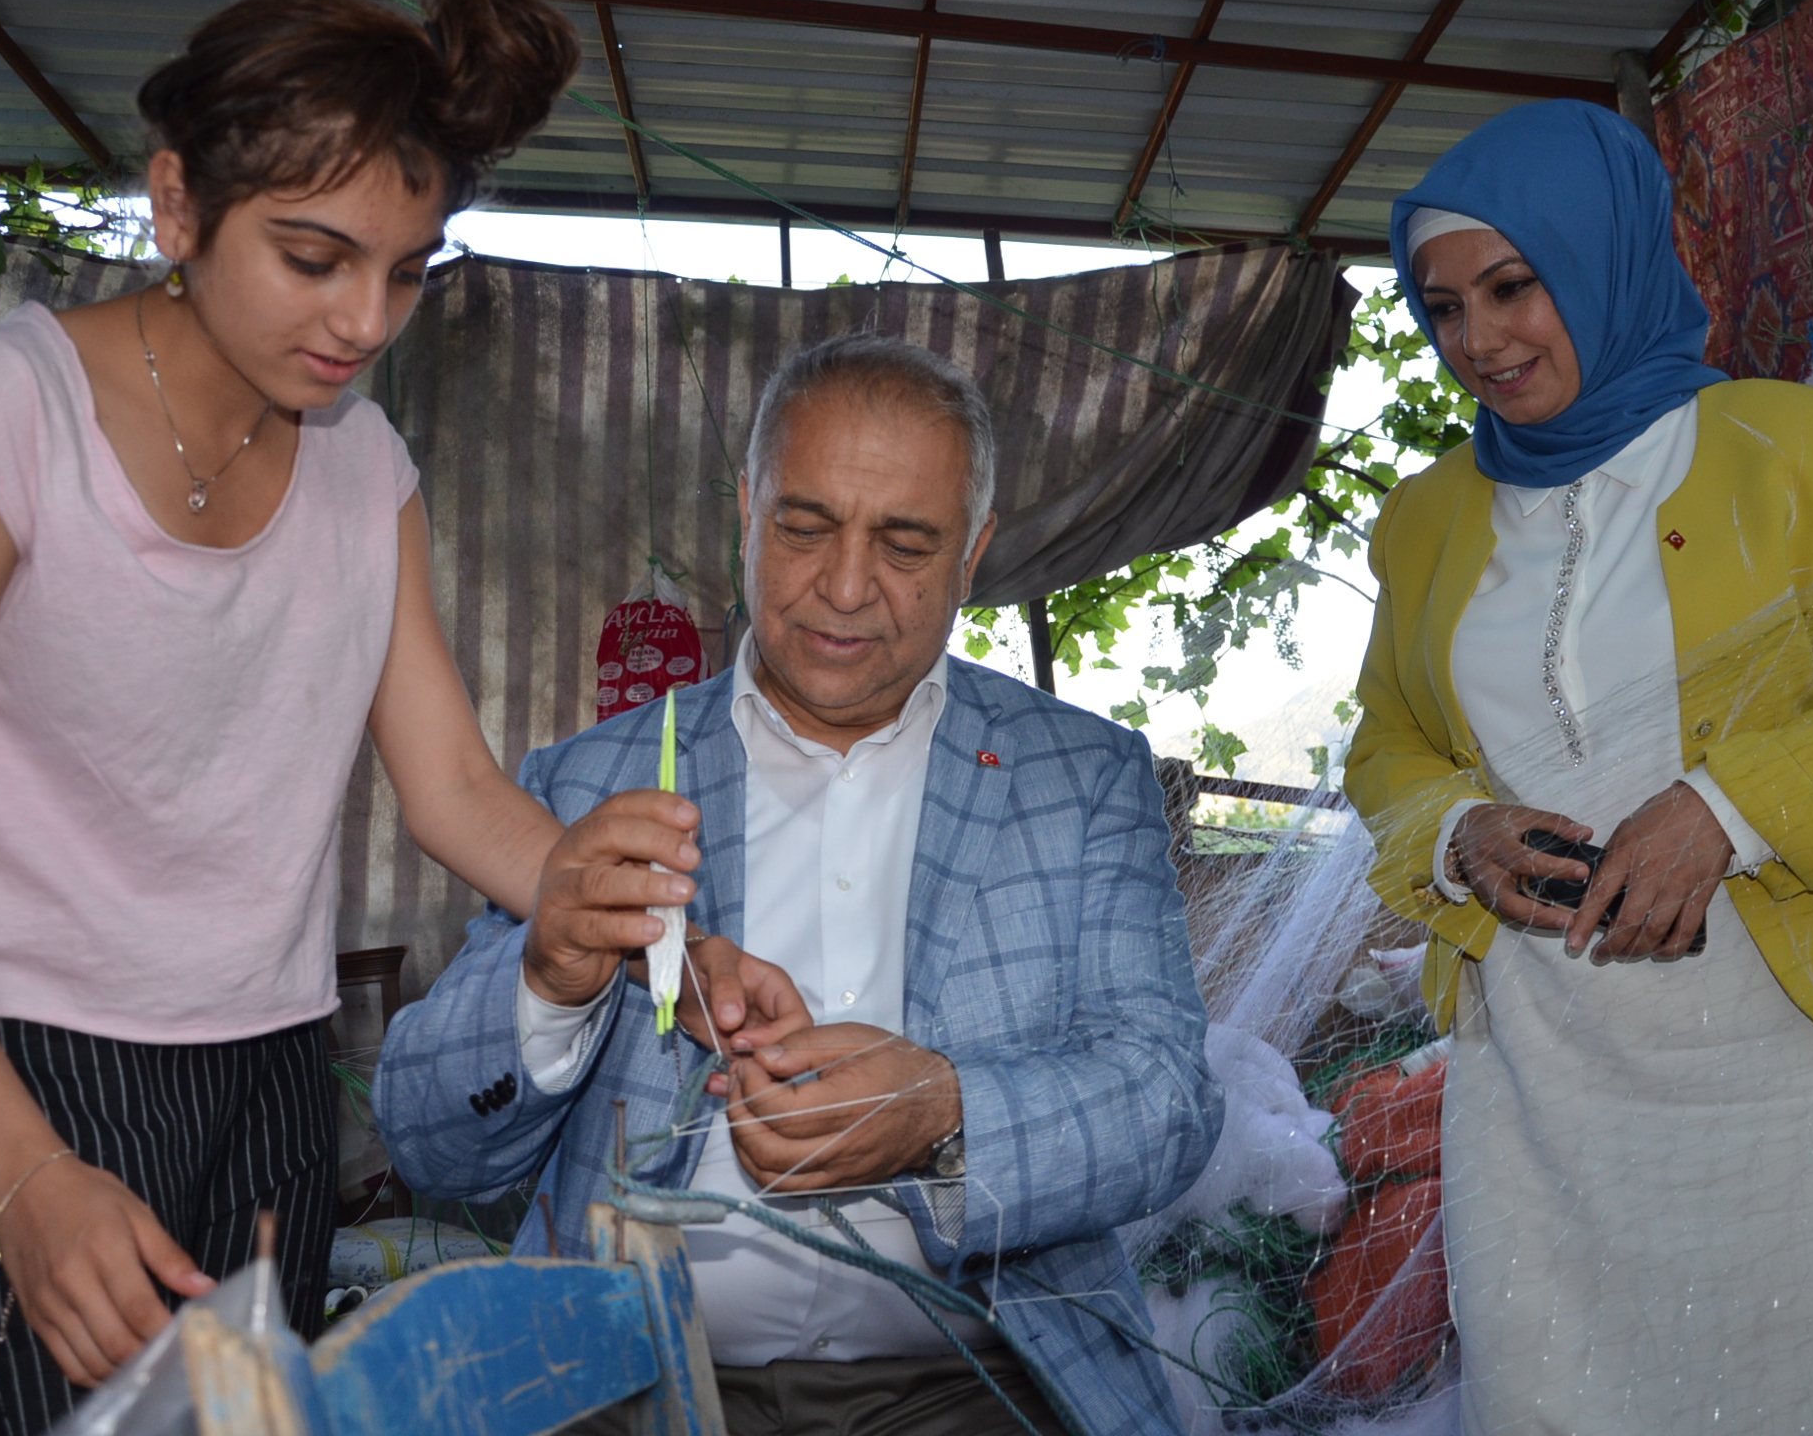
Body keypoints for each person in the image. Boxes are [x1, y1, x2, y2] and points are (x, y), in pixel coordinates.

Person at [0, 0, 793, 1435]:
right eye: (315, 257)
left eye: (406, 269)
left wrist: (674, 948)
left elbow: (452, 789)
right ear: (178, 205)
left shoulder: (360, 465)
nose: (363, 319)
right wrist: (20, 1175)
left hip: (269, 1055)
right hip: (19, 1051)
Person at [1343, 101, 1813, 1434]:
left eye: (1514, 286)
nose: (1479, 343)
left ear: (1606, 253)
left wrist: (1726, 815)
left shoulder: (1798, 449)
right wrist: (1459, 831)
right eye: (1441, 308)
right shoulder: (1427, 519)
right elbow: (1388, 742)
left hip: (1811, 1089)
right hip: (1551, 1100)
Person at [374, 334, 1221, 1436]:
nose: (845, 585)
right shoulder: (590, 779)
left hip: (971, 1387)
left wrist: (939, 1117)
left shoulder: (1080, 778)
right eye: (804, 526)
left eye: (906, 543)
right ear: (746, 511)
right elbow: (431, 1145)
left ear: (974, 551)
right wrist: (550, 983)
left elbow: (1166, 1103)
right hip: (634, 1384)